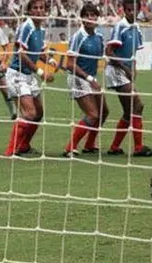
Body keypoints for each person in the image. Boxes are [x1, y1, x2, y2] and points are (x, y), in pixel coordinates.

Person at [4, 0, 57, 157]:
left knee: (39, 113)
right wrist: (41, 72)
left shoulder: (40, 29)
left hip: (28, 76)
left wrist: (51, 61)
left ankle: (24, 145)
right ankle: (10, 150)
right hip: (17, 75)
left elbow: (39, 52)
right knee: (29, 113)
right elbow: (21, 54)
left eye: (41, 7)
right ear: (29, 10)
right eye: (35, 7)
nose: (39, 10)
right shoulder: (26, 26)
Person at [104, 0, 152, 157]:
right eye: (128, 10)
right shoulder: (120, 26)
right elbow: (109, 51)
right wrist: (126, 68)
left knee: (129, 112)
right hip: (115, 71)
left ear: (139, 9)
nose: (131, 12)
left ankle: (114, 147)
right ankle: (139, 148)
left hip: (125, 72)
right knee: (138, 106)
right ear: (123, 10)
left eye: (134, 9)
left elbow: (133, 53)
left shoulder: (137, 28)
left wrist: (134, 69)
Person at [62, 4, 110, 157]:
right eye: (87, 15)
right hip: (77, 78)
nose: (90, 18)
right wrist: (89, 78)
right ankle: (70, 147)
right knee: (93, 115)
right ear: (82, 18)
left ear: (97, 17)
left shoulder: (99, 37)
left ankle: (89, 144)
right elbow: (69, 64)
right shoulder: (78, 37)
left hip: (90, 78)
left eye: (93, 15)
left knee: (104, 111)